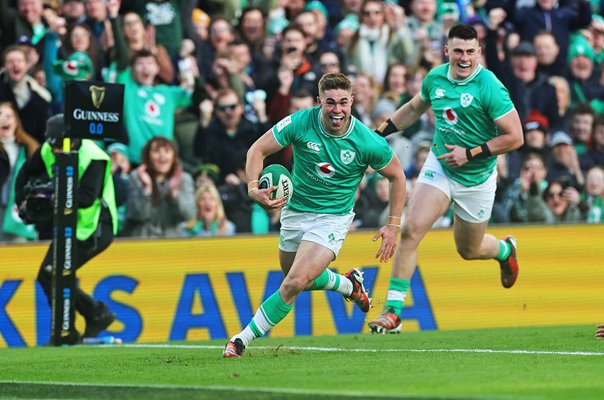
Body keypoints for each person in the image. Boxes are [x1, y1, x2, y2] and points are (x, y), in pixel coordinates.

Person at [223, 72, 407, 358]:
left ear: (352, 101)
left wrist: (393, 226)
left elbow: (397, 176)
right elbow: (257, 150)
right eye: (330, 102)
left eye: (343, 103)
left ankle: (241, 339)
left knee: (294, 283)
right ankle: (348, 284)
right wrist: (251, 189)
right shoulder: (301, 122)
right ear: (319, 101)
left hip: (332, 219)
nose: (337, 110)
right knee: (296, 278)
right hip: (295, 211)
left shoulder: (366, 141)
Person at [369, 24, 524, 334]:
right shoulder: (436, 78)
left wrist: (471, 152)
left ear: (478, 52)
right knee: (412, 229)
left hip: (476, 177)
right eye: (458, 51)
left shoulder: (489, 87)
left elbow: (515, 137)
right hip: (440, 167)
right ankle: (393, 311)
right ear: (447, 51)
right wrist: (379, 135)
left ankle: (505, 251)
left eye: (469, 51)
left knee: (469, 249)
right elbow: (414, 108)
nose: (463, 58)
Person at [14, 114, 118, 344]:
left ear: (73, 140)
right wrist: (21, 198)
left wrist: (51, 194)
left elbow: (86, 197)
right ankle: (86, 320)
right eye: (52, 145)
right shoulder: (50, 148)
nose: (56, 151)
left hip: (95, 228)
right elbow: (25, 172)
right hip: (68, 227)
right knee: (51, 274)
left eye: (60, 145)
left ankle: (76, 326)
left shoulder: (94, 157)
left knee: (53, 273)